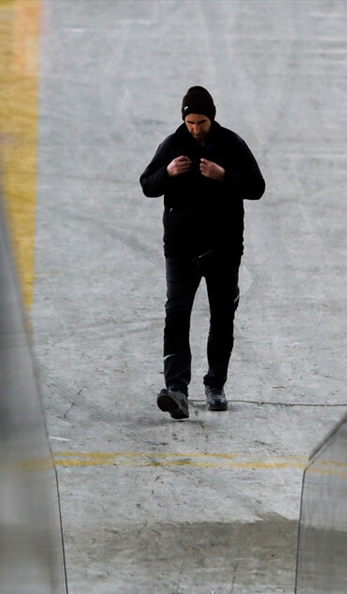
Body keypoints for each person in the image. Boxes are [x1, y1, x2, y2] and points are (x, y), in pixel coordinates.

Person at [140, 86, 265, 420]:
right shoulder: (172, 145)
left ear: (212, 116)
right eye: (190, 121)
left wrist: (224, 176)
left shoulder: (232, 145)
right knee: (176, 315)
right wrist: (167, 174)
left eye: (201, 122)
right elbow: (147, 184)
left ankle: (215, 385)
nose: (195, 128)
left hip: (223, 249)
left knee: (222, 317)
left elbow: (257, 187)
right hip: (180, 251)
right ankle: (176, 390)